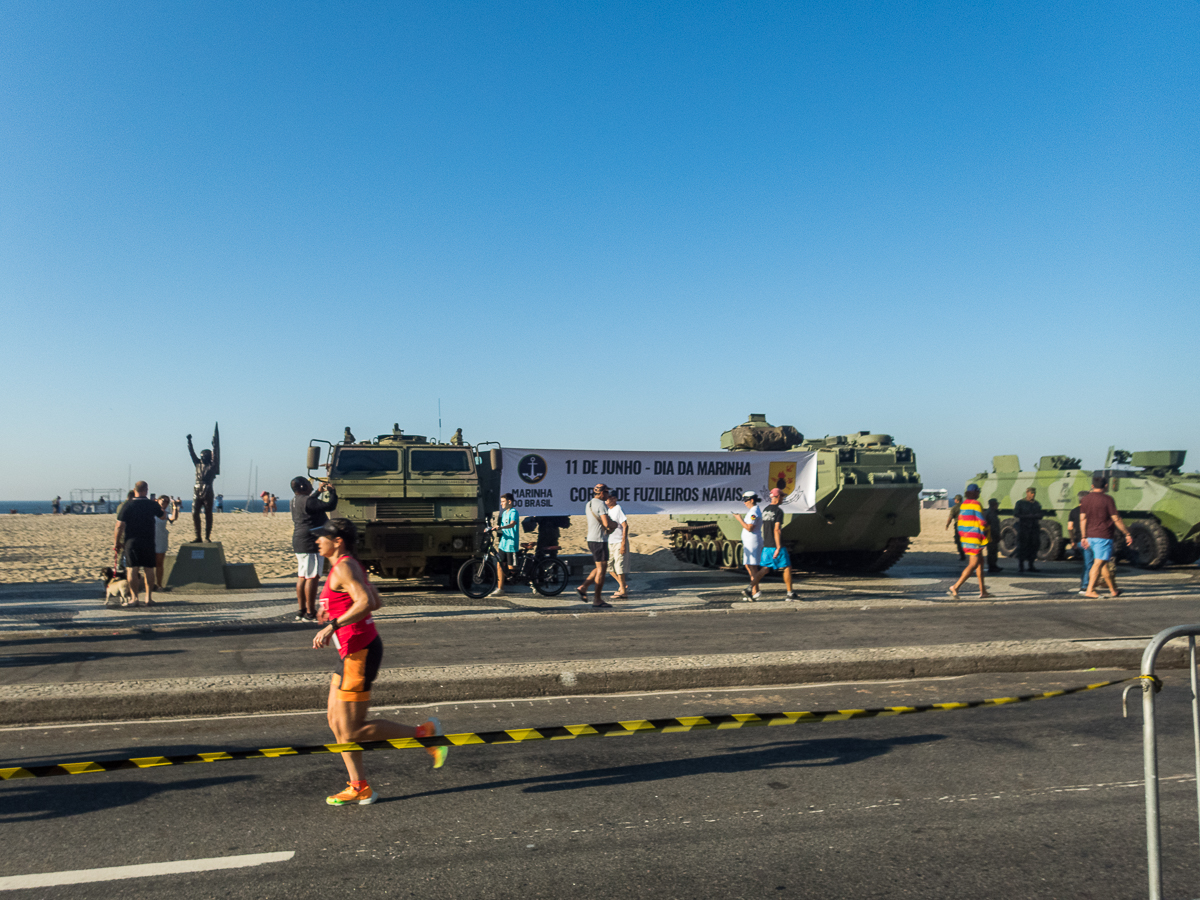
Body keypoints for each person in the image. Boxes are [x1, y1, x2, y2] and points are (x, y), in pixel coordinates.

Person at [310, 518, 446, 806]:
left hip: (359, 652)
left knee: (353, 730)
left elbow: (366, 603)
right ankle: (358, 786)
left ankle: (424, 733)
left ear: (338, 541)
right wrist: (336, 612)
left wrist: (333, 624)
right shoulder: (349, 564)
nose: (317, 540)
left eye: (322, 536)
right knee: (336, 723)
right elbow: (376, 600)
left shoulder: (345, 566)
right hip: (351, 652)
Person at [292, 476, 339, 622]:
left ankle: (301, 610)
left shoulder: (294, 500)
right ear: (302, 487)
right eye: (308, 484)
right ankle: (310, 612)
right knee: (312, 576)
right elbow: (330, 506)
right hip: (311, 542)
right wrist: (332, 491)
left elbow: (310, 502)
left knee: (302, 576)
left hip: (299, 541)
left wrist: (318, 492)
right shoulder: (309, 501)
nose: (311, 486)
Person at [113, 481, 166, 607]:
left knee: (132, 569)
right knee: (149, 569)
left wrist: (116, 542)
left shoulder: (128, 505)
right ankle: (148, 598)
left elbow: (119, 525)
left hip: (132, 541)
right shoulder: (151, 504)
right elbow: (163, 516)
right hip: (148, 540)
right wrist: (161, 506)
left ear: (134, 489)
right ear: (146, 490)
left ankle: (135, 598)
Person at [1081, 475, 1134, 599]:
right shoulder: (1108, 499)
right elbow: (1116, 518)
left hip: (1090, 536)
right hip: (1103, 536)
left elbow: (1082, 518)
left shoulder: (1085, 499)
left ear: (1092, 486)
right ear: (1106, 486)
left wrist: (1084, 536)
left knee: (1103, 563)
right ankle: (1090, 589)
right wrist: (1127, 533)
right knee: (1098, 563)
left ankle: (1113, 590)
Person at [752, 488, 801, 600]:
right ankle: (790, 593)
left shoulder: (765, 510)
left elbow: (758, 521)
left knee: (764, 569)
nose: (783, 499)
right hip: (776, 544)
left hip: (767, 544)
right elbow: (777, 529)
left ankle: (750, 588)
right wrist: (778, 547)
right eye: (782, 496)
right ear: (778, 497)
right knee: (787, 567)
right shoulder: (779, 511)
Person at [947, 484, 991, 599]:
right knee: (973, 564)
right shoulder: (976, 504)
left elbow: (960, 522)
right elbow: (982, 522)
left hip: (966, 538)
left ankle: (983, 591)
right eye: (978, 491)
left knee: (980, 564)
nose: (979, 493)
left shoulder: (964, 505)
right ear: (975, 492)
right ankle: (955, 586)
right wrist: (986, 535)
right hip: (975, 538)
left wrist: (963, 536)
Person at [575, 484, 615, 608]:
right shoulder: (601, 504)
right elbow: (606, 523)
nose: (609, 495)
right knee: (602, 570)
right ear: (602, 493)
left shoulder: (589, 503)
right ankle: (597, 599)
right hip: (599, 540)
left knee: (599, 568)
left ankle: (583, 587)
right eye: (607, 492)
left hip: (592, 539)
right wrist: (615, 525)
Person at [187, 428, 220, 542]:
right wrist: (189, 441)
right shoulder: (197, 464)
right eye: (201, 456)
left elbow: (216, 454)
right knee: (194, 513)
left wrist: (214, 444)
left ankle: (207, 536)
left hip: (207, 489)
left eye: (204, 456)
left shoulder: (212, 466)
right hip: (197, 488)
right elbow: (191, 453)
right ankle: (198, 536)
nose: (202, 457)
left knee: (208, 514)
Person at [736, 491, 764, 601]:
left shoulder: (754, 511)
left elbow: (749, 527)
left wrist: (739, 519)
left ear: (752, 500)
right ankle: (754, 591)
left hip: (753, 542)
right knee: (749, 566)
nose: (744, 503)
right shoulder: (752, 511)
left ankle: (755, 591)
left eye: (746, 500)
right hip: (749, 542)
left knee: (753, 567)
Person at [491, 493, 519, 596]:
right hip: (503, 543)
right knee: (500, 565)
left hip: (511, 544)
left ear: (509, 502)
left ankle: (529, 580)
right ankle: (500, 589)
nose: (501, 503)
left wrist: (501, 527)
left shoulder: (513, 512)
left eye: (503, 501)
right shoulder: (504, 513)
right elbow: (502, 527)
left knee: (512, 569)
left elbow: (512, 524)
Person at [604, 492, 630, 599]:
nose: (607, 500)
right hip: (610, 542)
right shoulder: (608, 511)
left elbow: (625, 525)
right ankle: (622, 584)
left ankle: (623, 591)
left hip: (619, 542)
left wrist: (623, 543)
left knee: (619, 566)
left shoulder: (618, 508)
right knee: (608, 566)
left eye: (609, 498)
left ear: (614, 499)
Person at [1013, 487, 1043, 573]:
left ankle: (1031, 564)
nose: (1033, 495)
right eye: (1031, 493)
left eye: (1034, 493)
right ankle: (1021, 565)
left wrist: (1035, 516)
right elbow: (1016, 514)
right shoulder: (1021, 503)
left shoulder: (1036, 504)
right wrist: (1027, 516)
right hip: (1024, 528)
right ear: (1027, 493)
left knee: (1034, 547)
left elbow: (1040, 515)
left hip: (1034, 528)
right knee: (1022, 547)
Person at [154, 495, 180, 586]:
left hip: (161, 541)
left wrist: (175, 506)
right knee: (148, 565)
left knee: (159, 564)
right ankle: (150, 584)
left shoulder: (165, 513)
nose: (164, 502)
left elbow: (173, 517)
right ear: (158, 500)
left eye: (166, 501)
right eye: (163, 500)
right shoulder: (151, 511)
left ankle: (159, 584)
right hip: (150, 540)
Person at [1066, 491, 1090, 593]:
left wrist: (1072, 540)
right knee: (1089, 564)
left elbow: (1070, 527)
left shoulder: (1073, 511)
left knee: (1087, 563)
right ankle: (1084, 586)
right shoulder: (1089, 511)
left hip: (1078, 541)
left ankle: (1087, 583)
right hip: (1088, 540)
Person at [984, 499, 1003, 574]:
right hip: (991, 535)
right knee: (991, 552)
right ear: (992, 504)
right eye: (996, 504)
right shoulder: (989, 513)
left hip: (994, 535)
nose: (997, 506)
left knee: (994, 551)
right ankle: (991, 567)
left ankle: (994, 566)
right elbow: (988, 525)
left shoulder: (993, 513)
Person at [945, 495, 965, 561]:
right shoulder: (965, 507)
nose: (954, 500)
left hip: (958, 526)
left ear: (957, 500)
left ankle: (962, 556)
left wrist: (947, 525)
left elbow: (950, 518)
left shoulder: (954, 508)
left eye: (955, 499)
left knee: (958, 541)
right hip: (966, 526)